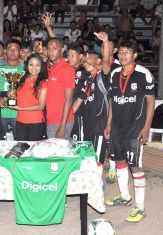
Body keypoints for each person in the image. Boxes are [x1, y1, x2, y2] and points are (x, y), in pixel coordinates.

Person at [104, 40, 155, 223]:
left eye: (128, 52)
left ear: (135, 55)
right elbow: (112, 100)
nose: (123, 55)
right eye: (121, 52)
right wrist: (109, 123)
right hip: (117, 126)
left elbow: (150, 102)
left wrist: (146, 127)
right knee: (119, 160)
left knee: (135, 166)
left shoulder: (144, 74)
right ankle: (125, 197)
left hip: (135, 127)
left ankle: (140, 208)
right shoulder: (114, 74)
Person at [72, 32, 111, 176]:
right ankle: (90, 185)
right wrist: (63, 122)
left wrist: (105, 42)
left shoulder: (103, 76)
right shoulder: (88, 81)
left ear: (98, 61)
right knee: (89, 157)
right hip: (88, 125)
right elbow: (78, 102)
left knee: (98, 160)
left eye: (90, 59)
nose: (86, 61)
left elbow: (106, 60)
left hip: (100, 126)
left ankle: (97, 188)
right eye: (85, 59)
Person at [9, 53, 47, 141]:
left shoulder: (43, 82)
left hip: (36, 122)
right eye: (31, 64)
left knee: (32, 151)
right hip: (20, 121)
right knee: (20, 148)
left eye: (37, 65)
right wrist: (12, 96)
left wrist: (20, 108)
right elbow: (20, 98)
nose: (34, 67)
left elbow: (41, 106)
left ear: (41, 66)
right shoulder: (22, 80)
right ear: (27, 66)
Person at [46, 37, 75, 138]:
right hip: (51, 119)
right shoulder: (53, 68)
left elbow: (69, 100)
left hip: (61, 122)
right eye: (49, 48)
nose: (51, 51)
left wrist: (62, 126)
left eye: (54, 48)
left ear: (62, 50)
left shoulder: (66, 69)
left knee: (59, 153)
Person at [0, 39, 24, 136]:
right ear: (5, 51)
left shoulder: (27, 67)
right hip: (0, 112)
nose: (12, 51)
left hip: (19, 113)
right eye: (10, 49)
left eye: (16, 49)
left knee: (20, 142)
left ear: (20, 51)